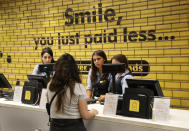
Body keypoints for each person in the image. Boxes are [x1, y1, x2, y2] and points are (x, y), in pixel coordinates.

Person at [47, 53, 98, 131]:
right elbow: (85, 115)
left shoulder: (50, 85)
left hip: (54, 127)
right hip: (74, 127)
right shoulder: (78, 86)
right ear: (74, 69)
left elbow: (48, 104)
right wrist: (93, 112)